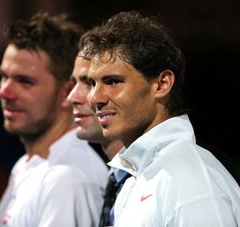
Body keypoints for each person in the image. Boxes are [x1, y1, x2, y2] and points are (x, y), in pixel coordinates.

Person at [80, 11, 240, 226]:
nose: (95, 98)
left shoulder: (190, 179)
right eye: (93, 84)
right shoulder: (134, 182)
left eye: (113, 81)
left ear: (162, 84)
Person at [0, 12, 109, 227]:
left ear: (67, 93)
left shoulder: (68, 180)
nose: (5, 92)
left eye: (24, 81)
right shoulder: (27, 166)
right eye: (4, 76)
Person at [67, 54, 129, 227]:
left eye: (89, 83)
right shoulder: (117, 180)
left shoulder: (172, 178)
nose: (72, 97)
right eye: (74, 83)